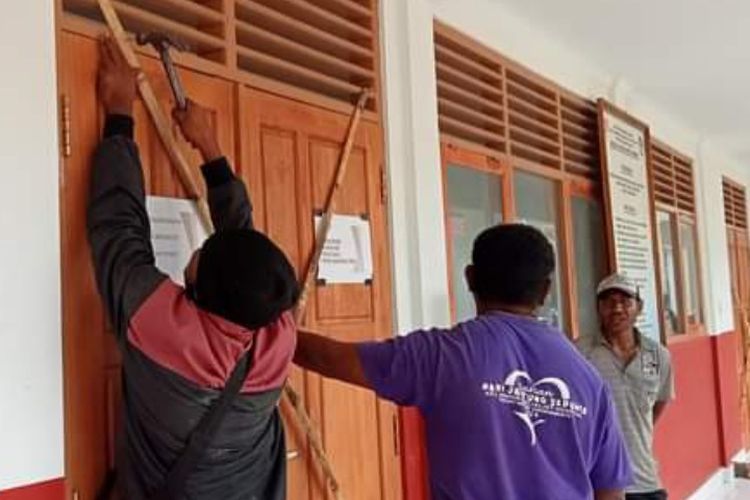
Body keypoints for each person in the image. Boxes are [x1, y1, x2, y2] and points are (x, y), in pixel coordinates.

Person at [89, 36, 298, 499]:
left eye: (202, 254)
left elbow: (118, 229)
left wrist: (120, 112)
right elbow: (245, 252)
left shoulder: (163, 332)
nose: (200, 248)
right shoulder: (276, 334)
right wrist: (209, 147)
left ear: (197, 292)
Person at [295, 223, 633, 500]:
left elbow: (329, 357)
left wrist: (263, 323)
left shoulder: (441, 355)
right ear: (546, 291)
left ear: (470, 278)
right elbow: (610, 492)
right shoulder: (589, 379)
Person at [578, 274, 675, 500]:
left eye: (625, 301)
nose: (617, 308)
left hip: (644, 480)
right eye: (609, 302)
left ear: (638, 307)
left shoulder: (659, 356)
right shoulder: (580, 352)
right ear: (598, 308)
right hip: (597, 483)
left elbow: (656, 406)